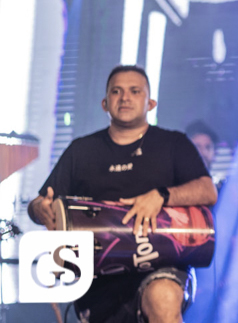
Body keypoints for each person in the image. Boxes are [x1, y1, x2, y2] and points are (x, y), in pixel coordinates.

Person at [28, 64, 218, 323]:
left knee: (162, 299)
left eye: (134, 91)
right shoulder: (82, 150)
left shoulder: (173, 144)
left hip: (162, 267)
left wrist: (161, 196)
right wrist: (40, 209)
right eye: (116, 91)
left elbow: (208, 191)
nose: (125, 97)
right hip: (98, 280)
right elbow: (41, 203)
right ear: (105, 103)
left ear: (150, 103)